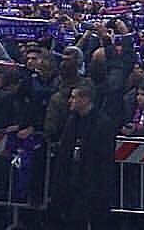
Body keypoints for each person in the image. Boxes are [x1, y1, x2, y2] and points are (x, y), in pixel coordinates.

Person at [49, 82, 117, 230]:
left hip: (92, 182)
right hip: (71, 179)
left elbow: (104, 160)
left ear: (85, 99)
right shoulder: (72, 120)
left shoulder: (103, 124)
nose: (70, 101)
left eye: (74, 97)